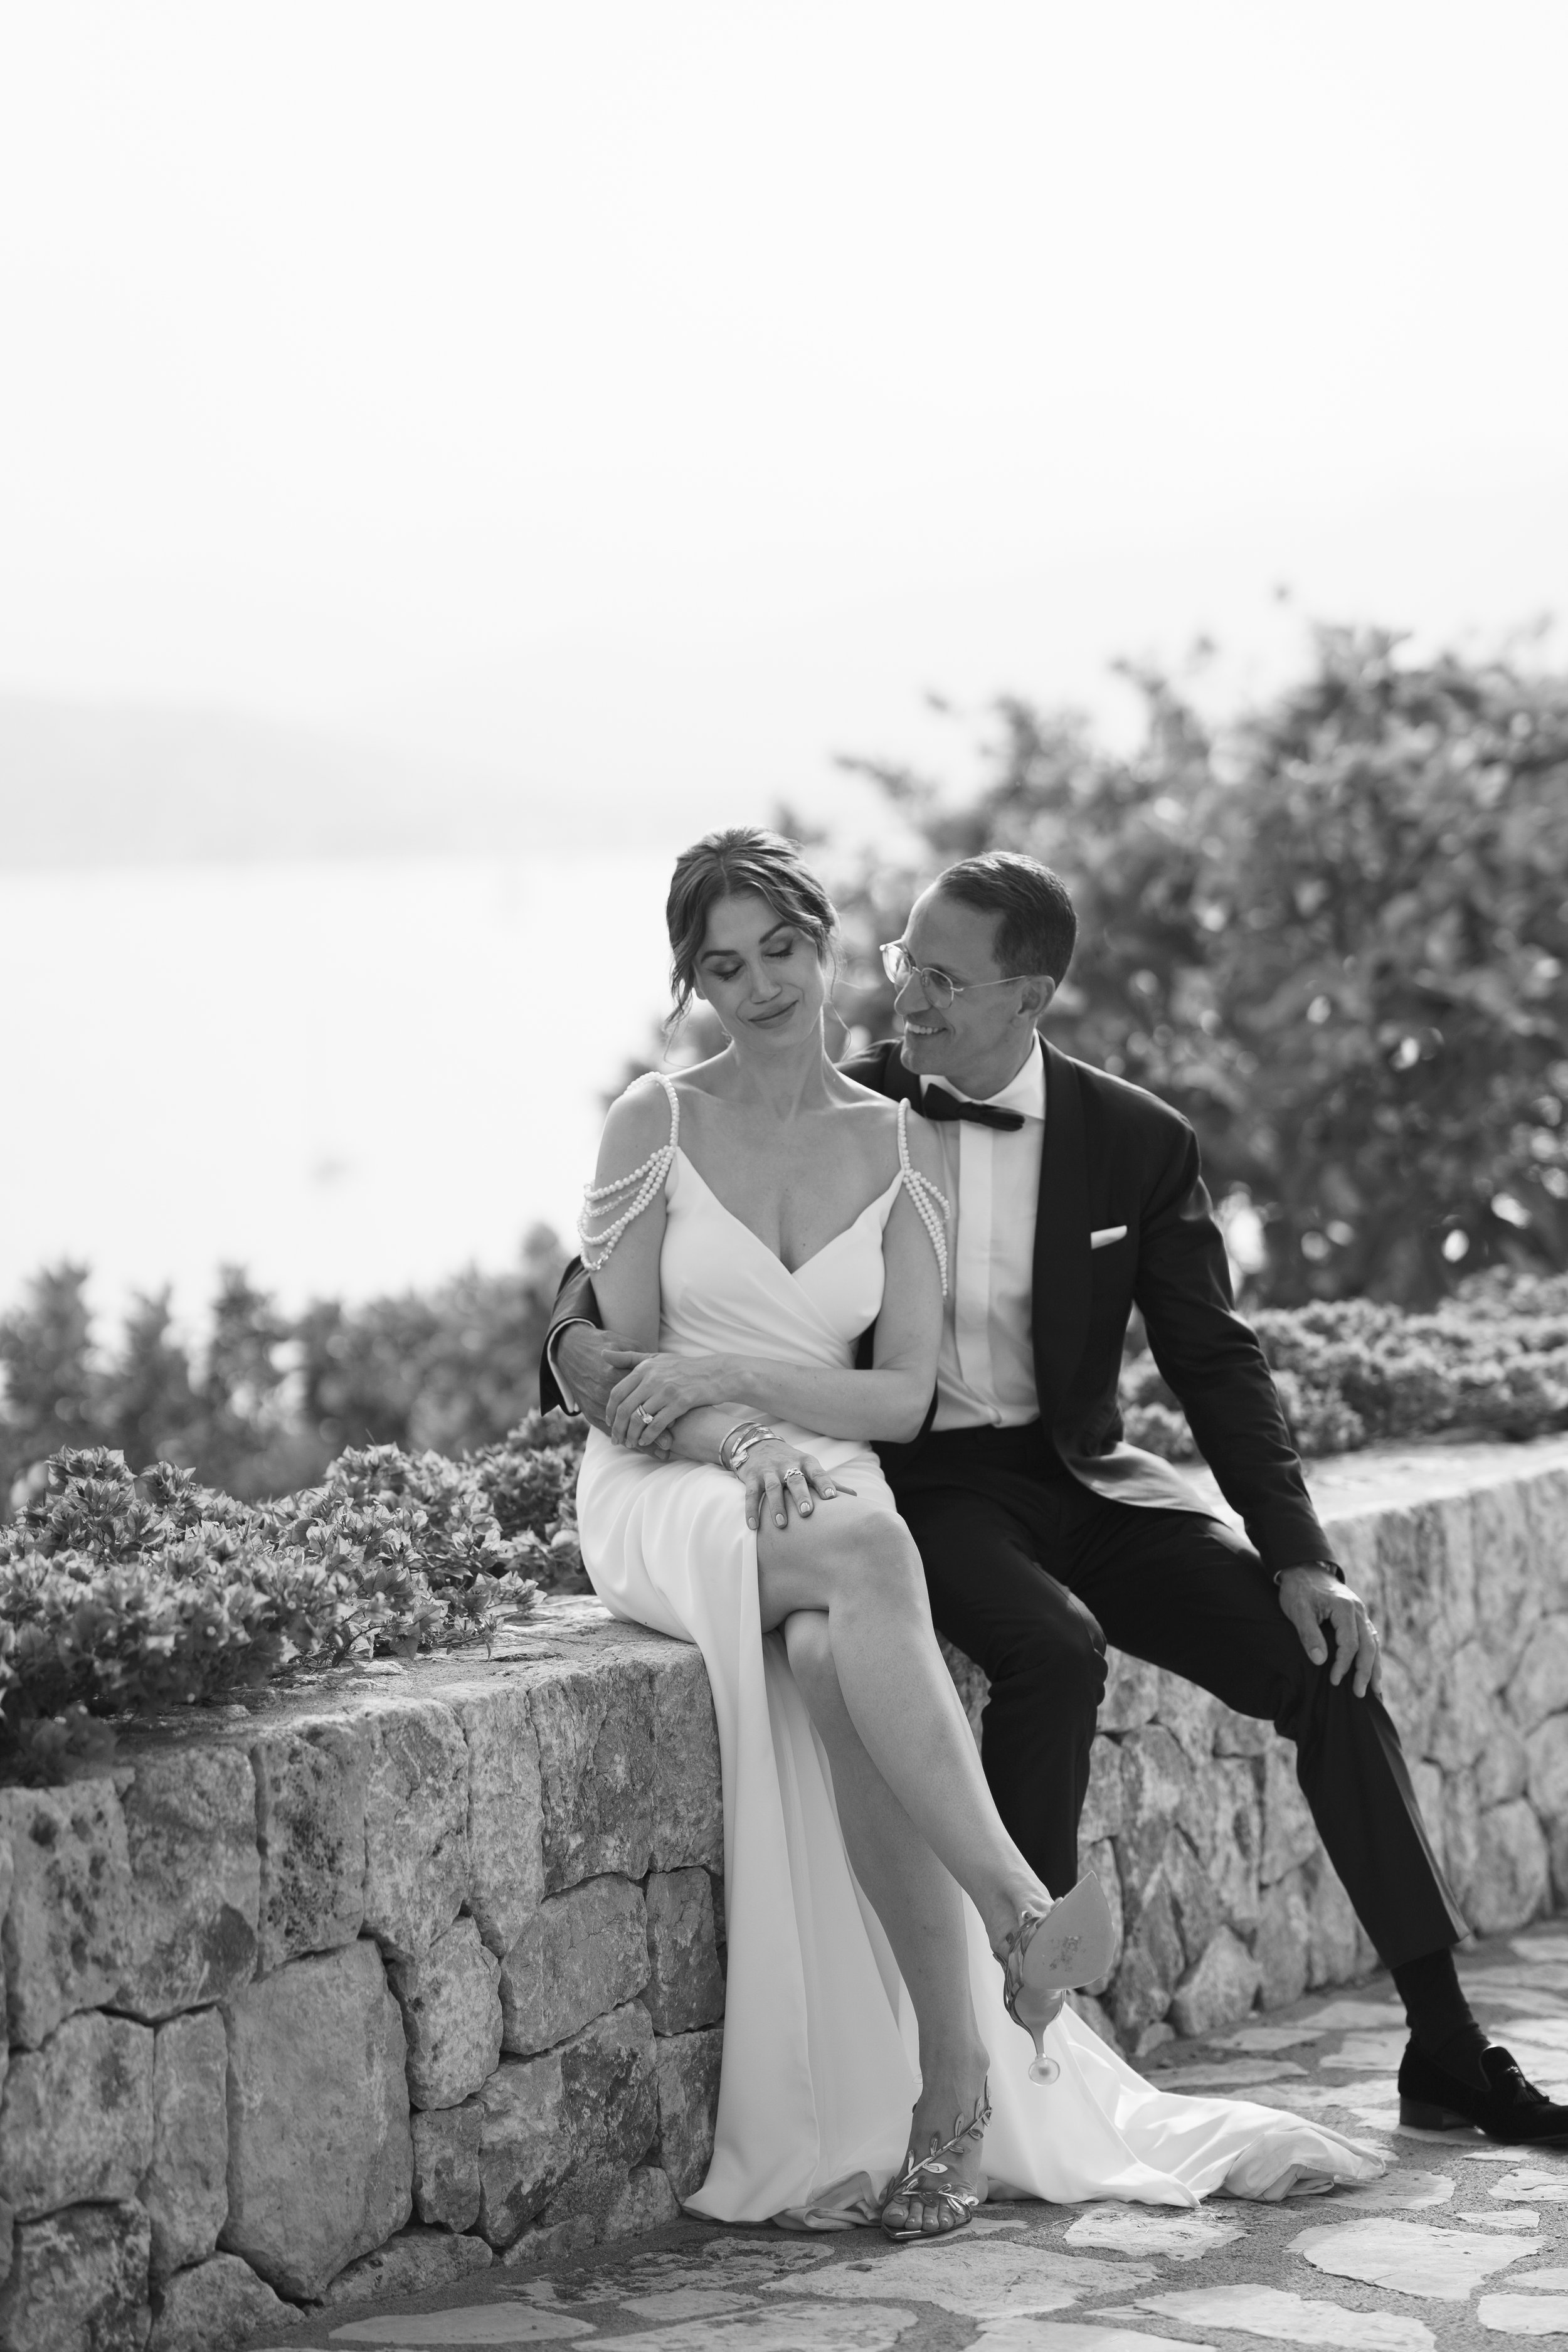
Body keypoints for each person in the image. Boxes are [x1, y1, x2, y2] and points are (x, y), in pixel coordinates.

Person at [549, 839, 1568, 2152]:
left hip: (1081, 1475)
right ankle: (1019, 2007)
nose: (905, 1001)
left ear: (1027, 999)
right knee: (1049, 1648)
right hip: (925, 1484)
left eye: (941, 983)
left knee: (1325, 1667)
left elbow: (1213, 1357)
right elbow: (617, 1295)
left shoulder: (1134, 1141)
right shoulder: (837, 1102)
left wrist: (1299, 1553)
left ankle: (1445, 2049)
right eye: (901, 966)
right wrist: (581, 1358)